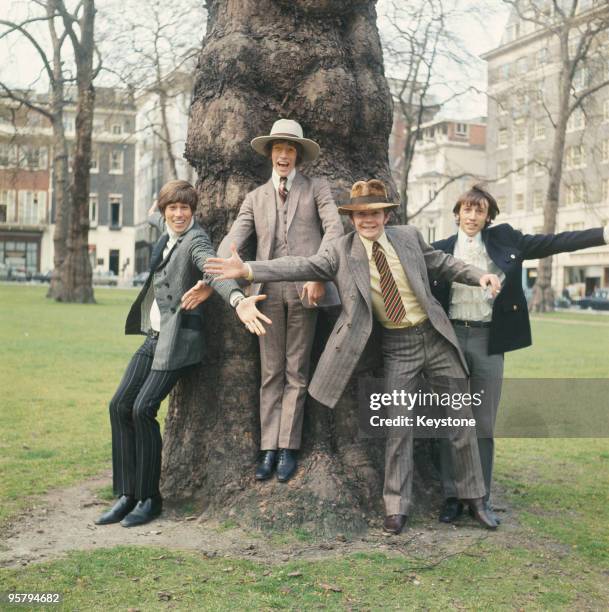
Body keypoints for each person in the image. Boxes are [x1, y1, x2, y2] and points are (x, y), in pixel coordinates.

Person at [203, 179, 503, 535]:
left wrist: (479, 275)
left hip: (435, 337)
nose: (367, 220)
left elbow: (444, 263)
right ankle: (396, 507)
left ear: (386, 215)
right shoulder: (341, 252)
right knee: (398, 427)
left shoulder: (408, 238)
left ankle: (475, 499)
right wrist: (249, 271)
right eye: (360, 214)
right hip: (397, 346)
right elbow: (298, 264)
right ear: (352, 218)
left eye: (374, 213)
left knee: (460, 419)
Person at [95, 179, 271, 528]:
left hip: (178, 342)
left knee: (143, 409)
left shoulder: (196, 240)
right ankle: (127, 494)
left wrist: (237, 300)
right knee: (119, 405)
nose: (178, 214)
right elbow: (154, 221)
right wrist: (154, 210)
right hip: (154, 338)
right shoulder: (164, 235)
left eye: (184, 208)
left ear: (192, 212)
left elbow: (212, 268)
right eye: (172, 208)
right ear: (164, 211)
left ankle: (150, 498)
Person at [431, 184, 609, 525]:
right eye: (466, 210)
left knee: (483, 423)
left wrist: (602, 233)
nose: (471, 216)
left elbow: (554, 242)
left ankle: (478, 498)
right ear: (457, 214)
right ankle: (451, 495)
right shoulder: (439, 250)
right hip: (449, 340)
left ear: (488, 216)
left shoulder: (505, 241)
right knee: (450, 422)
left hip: (488, 341)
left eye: (479, 210)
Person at [184, 118, 344, 483]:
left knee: (296, 372)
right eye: (278, 148)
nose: (284, 155)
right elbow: (231, 243)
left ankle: (288, 447)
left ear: (298, 155)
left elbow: (335, 231)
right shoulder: (254, 197)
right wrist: (213, 277)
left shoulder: (317, 188)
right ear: (270, 154)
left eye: (290, 149)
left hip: (306, 290)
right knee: (270, 372)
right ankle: (267, 449)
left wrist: (319, 274)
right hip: (265, 295)